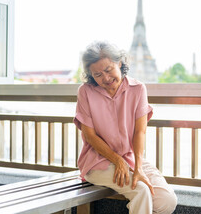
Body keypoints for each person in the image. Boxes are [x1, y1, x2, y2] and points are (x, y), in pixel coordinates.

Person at [74, 41, 177, 214]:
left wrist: (138, 167)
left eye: (108, 70)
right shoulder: (86, 92)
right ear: (91, 75)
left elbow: (140, 131)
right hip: (97, 162)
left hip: (129, 158)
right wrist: (117, 160)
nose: (105, 78)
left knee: (166, 200)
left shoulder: (138, 89)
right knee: (142, 191)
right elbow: (90, 136)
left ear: (119, 63)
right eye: (98, 75)